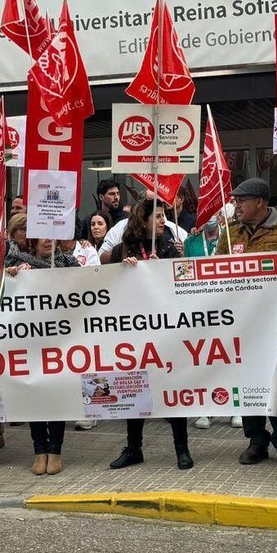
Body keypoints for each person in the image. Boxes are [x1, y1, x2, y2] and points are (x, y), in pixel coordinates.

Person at [218, 178, 277, 467]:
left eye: (241, 200)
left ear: (259, 202)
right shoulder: (230, 233)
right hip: (243, 325)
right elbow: (215, 271)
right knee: (249, 382)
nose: (236, 205)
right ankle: (256, 440)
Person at [108, 200, 194, 470]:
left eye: (164, 216)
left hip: (166, 332)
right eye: (157, 216)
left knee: (172, 388)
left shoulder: (169, 246)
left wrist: (165, 267)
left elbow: (184, 283)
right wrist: (124, 268)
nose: (162, 221)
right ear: (142, 220)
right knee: (135, 390)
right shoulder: (123, 249)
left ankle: (182, 447)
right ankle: (134, 448)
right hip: (134, 333)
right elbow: (110, 287)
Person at [5, 221, 79, 475]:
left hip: (60, 342)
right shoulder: (18, 261)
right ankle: (39, 451)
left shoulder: (69, 263)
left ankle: (55, 451)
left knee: (55, 396)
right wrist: (12, 274)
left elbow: (91, 284)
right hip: (29, 342)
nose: (48, 241)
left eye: (52, 237)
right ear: (33, 240)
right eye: (42, 237)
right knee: (34, 395)